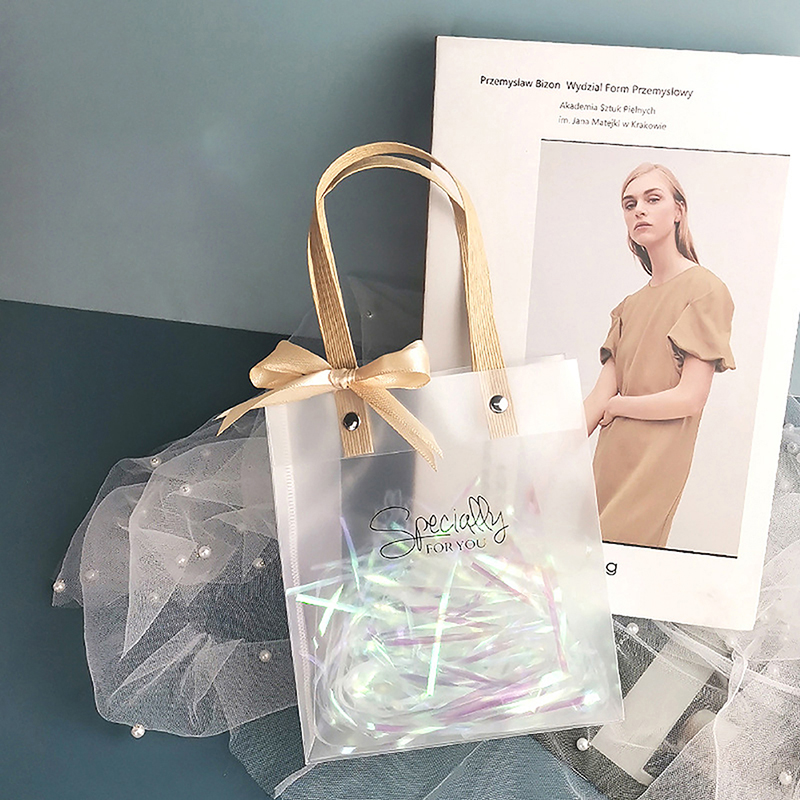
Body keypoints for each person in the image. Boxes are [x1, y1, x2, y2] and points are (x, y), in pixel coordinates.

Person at [584, 163, 735, 548]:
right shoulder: (629, 307)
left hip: (656, 464)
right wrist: (538, 455)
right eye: (630, 204)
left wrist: (620, 406)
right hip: (609, 460)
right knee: (583, 560)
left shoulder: (705, 290)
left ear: (678, 210)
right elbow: (598, 399)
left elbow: (690, 398)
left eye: (653, 199)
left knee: (622, 559)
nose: (640, 210)